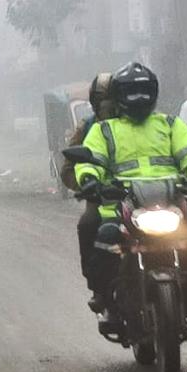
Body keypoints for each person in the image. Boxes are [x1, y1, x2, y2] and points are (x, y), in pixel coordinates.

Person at [75, 62, 187, 328]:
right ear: (119, 95)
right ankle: (107, 299)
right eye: (131, 91)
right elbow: (90, 160)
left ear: (153, 92)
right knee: (103, 238)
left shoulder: (171, 125)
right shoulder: (104, 130)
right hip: (120, 205)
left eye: (143, 90)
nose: (138, 97)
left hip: (170, 202)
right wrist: (90, 180)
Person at [63, 74, 116, 313]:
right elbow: (68, 168)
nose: (109, 104)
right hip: (103, 197)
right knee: (88, 224)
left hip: (143, 194)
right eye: (103, 99)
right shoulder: (87, 127)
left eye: (112, 98)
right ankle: (98, 288)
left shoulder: (141, 124)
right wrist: (85, 185)